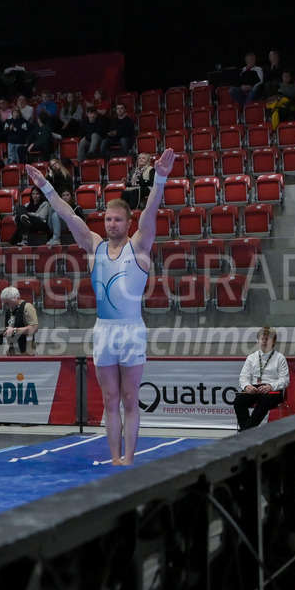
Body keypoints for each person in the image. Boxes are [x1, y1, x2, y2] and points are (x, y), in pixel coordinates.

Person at [28, 148, 175, 465]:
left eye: (118, 220)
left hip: (131, 330)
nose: (111, 224)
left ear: (127, 222)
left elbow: (151, 211)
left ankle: (130, 458)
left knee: (129, 399)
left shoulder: (140, 245)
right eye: (108, 219)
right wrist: (46, 186)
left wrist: (160, 177)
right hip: (105, 331)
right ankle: (114, 457)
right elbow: (68, 214)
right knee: (110, 399)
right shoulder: (93, 245)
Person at [232, 327, 289, 431]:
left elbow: (284, 380)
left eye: (267, 339)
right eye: (262, 339)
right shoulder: (251, 357)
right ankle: (248, 431)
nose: (264, 341)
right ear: (258, 340)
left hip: (272, 391)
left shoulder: (280, 358)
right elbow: (243, 376)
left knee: (264, 401)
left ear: (274, 341)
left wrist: (270, 386)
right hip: (254, 388)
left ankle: (246, 431)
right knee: (239, 400)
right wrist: (247, 386)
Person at [0, 286, 38, 356]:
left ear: (15, 298)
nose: (6, 306)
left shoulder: (27, 307)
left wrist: (14, 330)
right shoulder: (9, 311)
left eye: (7, 303)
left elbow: (34, 328)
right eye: (5, 304)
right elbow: (9, 328)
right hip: (12, 350)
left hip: (25, 350)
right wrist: (3, 332)